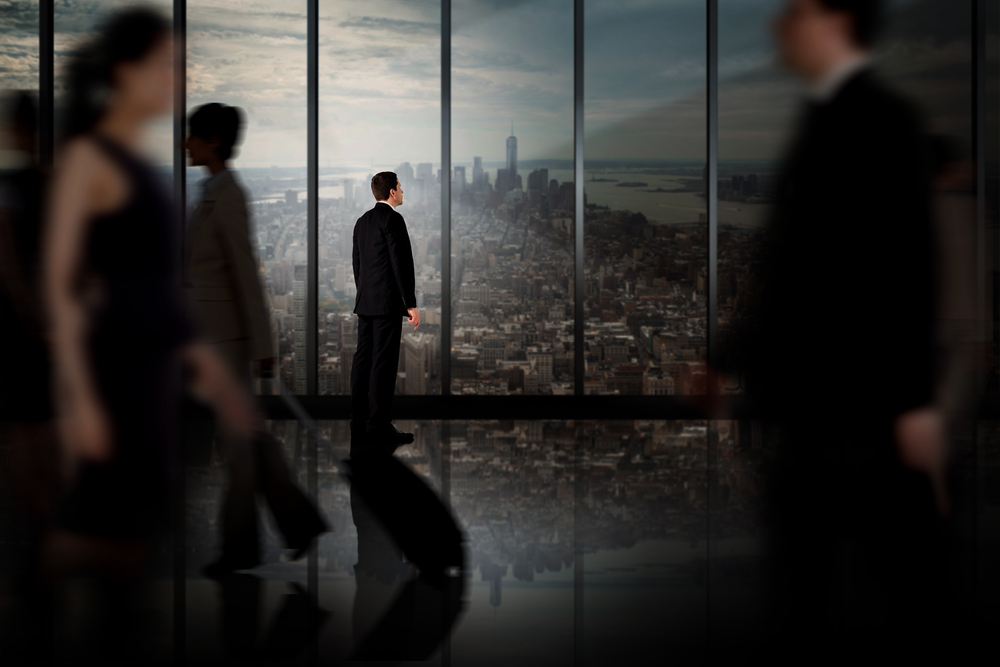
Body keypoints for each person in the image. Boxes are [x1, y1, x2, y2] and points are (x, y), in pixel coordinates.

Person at [735, 0, 954, 660]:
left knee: (886, 582)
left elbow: (912, 265)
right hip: (816, 398)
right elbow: (787, 263)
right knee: (817, 579)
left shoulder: (884, 120)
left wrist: (915, 400)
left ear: (835, 20)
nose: (779, 24)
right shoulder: (823, 116)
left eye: (795, 10)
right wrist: (729, 355)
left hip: (861, 398)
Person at [41, 5, 254, 595]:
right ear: (124, 71)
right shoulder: (90, 158)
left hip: (153, 370)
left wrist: (208, 365)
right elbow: (62, 287)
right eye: (164, 63)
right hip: (115, 369)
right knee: (94, 528)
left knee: (130, 535)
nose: (173, 75)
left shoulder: (142, 167)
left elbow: (169, 283)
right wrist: (81, 398)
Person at [183, 102, 327, 575]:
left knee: (240, 447)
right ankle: (298, 521)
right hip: (211, 345)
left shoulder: (227, 195)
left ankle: (242, 546)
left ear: (215, 142)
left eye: (194, 136)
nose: (186, 143)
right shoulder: (212, 191)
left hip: (224, 346)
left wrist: (263, 345)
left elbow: (247, 274)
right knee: (246, 441)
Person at [350, 172, 419, 452]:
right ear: (391, 192)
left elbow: (357, 264)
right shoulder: (393, 220)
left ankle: (359, 418)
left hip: (366, 301)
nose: (402, 192)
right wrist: (410, 303)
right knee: (384, 362)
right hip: (388, 304)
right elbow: (400, 263)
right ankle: (379, 424)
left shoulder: (362, 222)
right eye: (400, 188)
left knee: (363, 359)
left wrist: (364, 292)